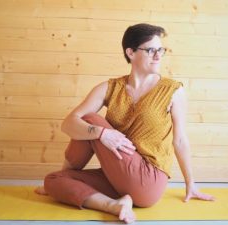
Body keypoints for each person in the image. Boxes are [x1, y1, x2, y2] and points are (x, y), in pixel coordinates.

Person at [35, 23, 215, 223]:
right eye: (151, 50)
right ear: (130, 52)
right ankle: (114, 204)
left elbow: (180, 140)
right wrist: (102, 134)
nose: (158, 56)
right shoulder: (110, 87)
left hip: (149, 179)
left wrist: (191, 184)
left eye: (161, 50)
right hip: (119, 176)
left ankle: (117, 199)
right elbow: (68, 124)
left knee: (90, 120)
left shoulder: (172, 90)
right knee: (54, 180)